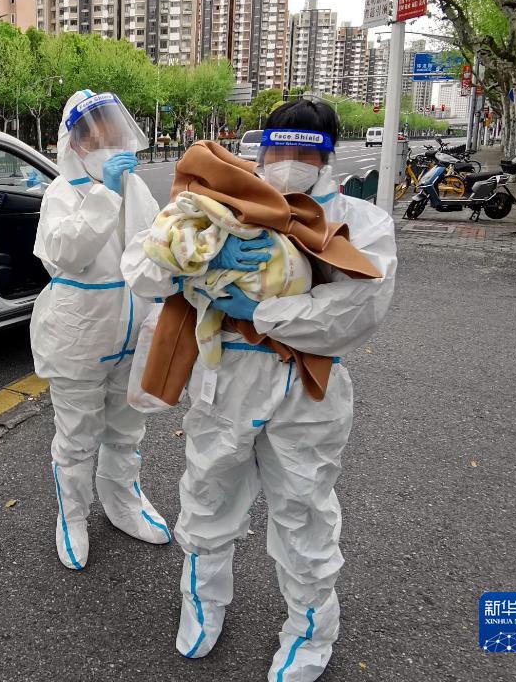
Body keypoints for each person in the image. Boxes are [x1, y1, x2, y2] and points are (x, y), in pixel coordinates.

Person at [123, 99, 397, 680]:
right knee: (207, 496)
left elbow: (359, 308)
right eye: (278, 148)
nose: (288, 161)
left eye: (305, 151)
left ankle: (311, 632)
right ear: (261, 150)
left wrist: (264, 312)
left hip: (307, 388)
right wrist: (199, 255)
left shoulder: (360, 221)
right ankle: (202, 605)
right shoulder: (225, 202)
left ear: (327, 157)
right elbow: (141, 266)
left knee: (304, 510)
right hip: (225, 379)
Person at [31, 90, 172, 570]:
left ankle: (123, 503)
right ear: (74, 143)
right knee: (76, 437)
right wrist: (104, 196)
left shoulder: (137, 188)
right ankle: (72, 517)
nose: (107, 143)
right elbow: (65, 253)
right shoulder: (61, 193)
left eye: (113, 133)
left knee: (126, 431)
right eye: (95, 136)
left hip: (132, 335)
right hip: (79, 339)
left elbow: (155, 248)